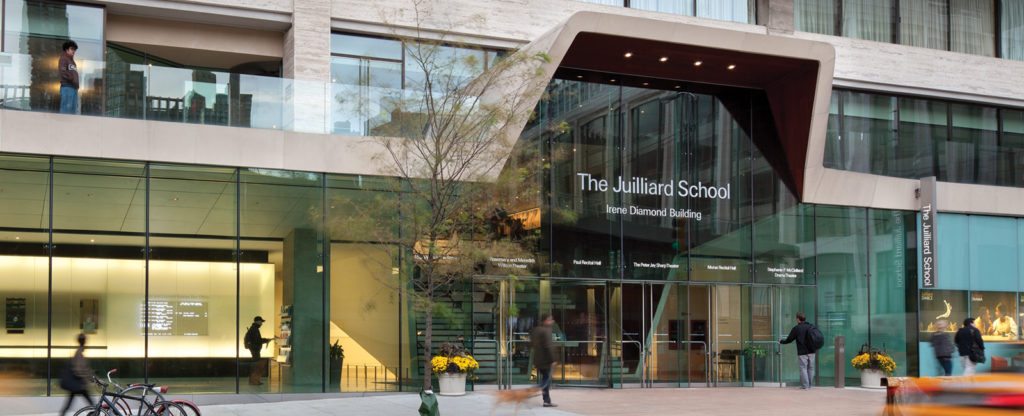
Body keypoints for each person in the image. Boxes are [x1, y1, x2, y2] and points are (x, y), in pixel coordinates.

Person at [59, 334, 94, 416]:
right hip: (79, 384)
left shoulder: (79, 352)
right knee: (92, 403)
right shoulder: (79, 353)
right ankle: (94, 413)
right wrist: (87, 378)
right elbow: (78, 369)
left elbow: (81, 368)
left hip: (76, 384)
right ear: (84, 341)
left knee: (68, 405)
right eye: (85, 340)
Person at [779, 312, 816, 390]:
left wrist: (781, 341)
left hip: (802, 352)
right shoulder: (811, 326)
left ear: (798, 319)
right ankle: (809, 385)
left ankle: (806, 386)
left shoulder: (797, 328)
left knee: (803, 368)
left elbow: (789, 339)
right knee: (811, 368)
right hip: (812, 350)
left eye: (796, 318)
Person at [530, 313, 558, 407]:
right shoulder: (546, 330)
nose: (552, 321)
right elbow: (548, 346)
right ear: (545, 320)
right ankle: (536, 390)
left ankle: (546, 401)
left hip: (538, 360)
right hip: (546, 361)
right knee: (546, 381)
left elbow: (531, 344)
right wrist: (553, 359)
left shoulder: (536, 330)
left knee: (545, 379)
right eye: (550, 319)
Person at [244, 316, 273, 385]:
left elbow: (257, 340)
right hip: (255, 349)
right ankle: (254, 381)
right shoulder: (254, 329)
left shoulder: (254, 329)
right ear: (257, 321)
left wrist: (265, 340)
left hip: (254, 349)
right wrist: (266, 340)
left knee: (255, 364)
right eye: (261, 322)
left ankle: (254, 380)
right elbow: (257, 340)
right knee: (256, 365)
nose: (261, 323)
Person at [58, 40, 79, 114]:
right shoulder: (64, 58)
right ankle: (63, 125)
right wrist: (72, 79)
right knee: (66, 109)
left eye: (74, 49)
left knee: (72, 110)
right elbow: (62, 72)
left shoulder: (72, 61)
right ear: (67, 49)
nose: (74, 51)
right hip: (67, 86)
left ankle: (70, 125)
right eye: (72, 49)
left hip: (73, 87)